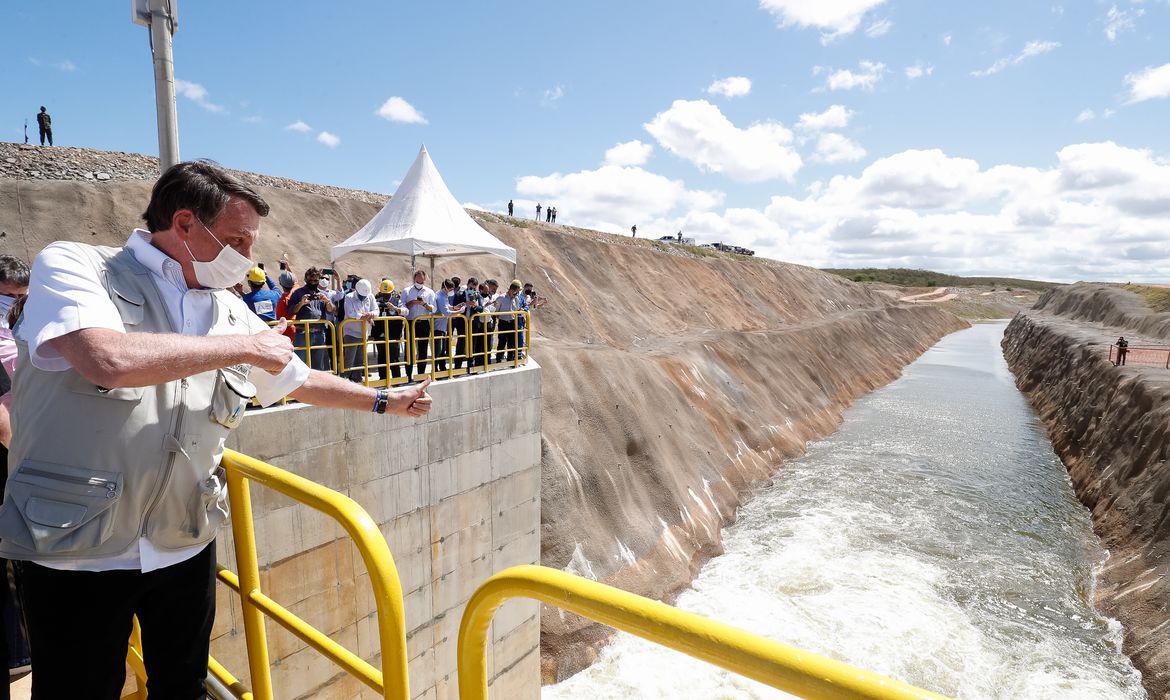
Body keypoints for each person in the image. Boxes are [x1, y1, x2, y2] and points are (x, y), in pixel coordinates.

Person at [0, 160, 433, 700]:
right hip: (77, 548)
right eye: (237, 241)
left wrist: (384, 401)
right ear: (184, 224)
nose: (247, 260)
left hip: (182, 542)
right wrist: (245, 348)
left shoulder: (227, 310)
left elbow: (298, 380)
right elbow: (104, 358)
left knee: (183, 688)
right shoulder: (77, 264)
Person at [286, 267, 335, 371]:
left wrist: (327, 301)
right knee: (300, 364)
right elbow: (291, 311)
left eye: (315, 280)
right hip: (302, 333)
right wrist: (301, 303)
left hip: (319, 333)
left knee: (318, 366)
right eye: (310, 280)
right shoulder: (298, 293)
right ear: (306, 279)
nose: (313, 282)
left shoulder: (323, 294)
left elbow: (331, 310)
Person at [339, 278, 378, 382]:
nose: (363, 298)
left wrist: (371, 314)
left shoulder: (370, 296)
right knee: (349, 359)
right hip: (351, 332)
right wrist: (365, 316)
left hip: (365, 332)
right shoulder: (349, 297)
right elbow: (351, 313)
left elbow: (376, 311)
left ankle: (357, 379)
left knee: (360, 359)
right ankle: (344, 380)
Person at [401, 269, 436, 378]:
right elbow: (401, 306)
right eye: (418, 281)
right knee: (409, 349)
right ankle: (408, 375)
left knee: (423, 349)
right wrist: (411, 302)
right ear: (414, 279)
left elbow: (433, 309)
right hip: (410, 323)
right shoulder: (406, 291)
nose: (419, 284)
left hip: (424, 323)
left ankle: (421, 374)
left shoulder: (429, 292)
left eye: (422, 282)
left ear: (425, 280)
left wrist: (424, 304)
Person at [372, 279, 405, 381]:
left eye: (387, 294)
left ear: (392, 292)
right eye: (384, 293)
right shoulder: (376, 301)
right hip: (380, 334)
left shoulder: (397, 301)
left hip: (393, 334)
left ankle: (396, 379)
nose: (385, 296)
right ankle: (383, 379)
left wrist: (395, 308)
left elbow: (405, 311)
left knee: (393, 358)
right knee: (381, 357)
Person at [492, 281, 523, 363]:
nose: (517, 294)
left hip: (513, 323)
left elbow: (516, 309)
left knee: (512, 342)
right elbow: (496, 311)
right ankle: (499, 359)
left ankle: (510, 359)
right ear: (512, 290)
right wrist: (502, 318)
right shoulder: (501, 298)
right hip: (503, 323)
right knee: (502, 342)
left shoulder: (516, 299)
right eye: (517, 291)